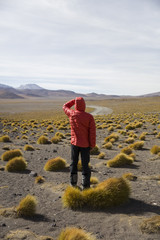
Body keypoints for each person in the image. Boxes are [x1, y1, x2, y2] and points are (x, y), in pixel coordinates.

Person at [63, 97, 96, 189]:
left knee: (74, 163)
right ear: (84, 105)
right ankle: (85, 185)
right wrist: (92, 145)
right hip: (85, 145)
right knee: (85, 164)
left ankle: (73, 183)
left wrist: (73, 101)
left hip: (74, 143)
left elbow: (65, 106)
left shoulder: (72, 114)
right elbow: (92, 133)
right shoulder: (89, 117)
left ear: (76, 105)